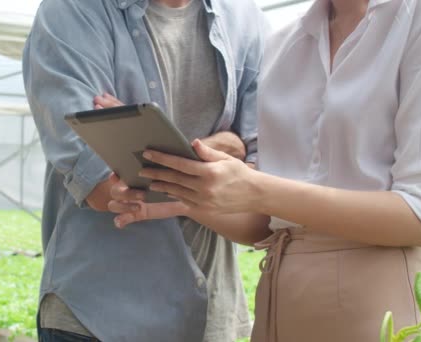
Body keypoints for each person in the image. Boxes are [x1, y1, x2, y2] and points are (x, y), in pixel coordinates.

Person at [107, 0, 421, 341]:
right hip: (278, 299)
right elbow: (266, 223)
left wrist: (257, 188)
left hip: (372, 303)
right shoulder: (283, 42)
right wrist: (180, 190)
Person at [22, 0, 268, 341]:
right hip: (98, 317)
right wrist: (227, 148)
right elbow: (104, 186)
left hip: (211, 316)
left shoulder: (246, 20)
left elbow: (263, 189)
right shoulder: (73, 11)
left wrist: (139, 139)